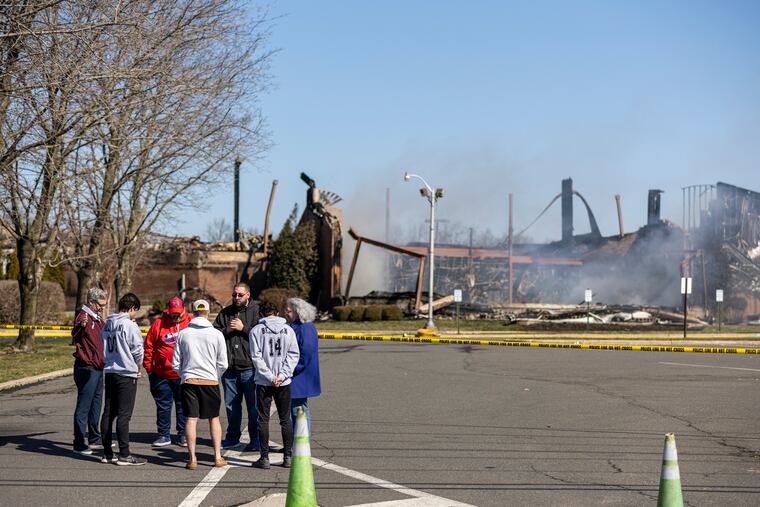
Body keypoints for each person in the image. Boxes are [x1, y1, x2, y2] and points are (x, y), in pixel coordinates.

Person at [172, 299, 228, 470]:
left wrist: (185, 375)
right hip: (210, 380)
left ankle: (192, 458)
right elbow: (223, 363)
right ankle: (217, 457)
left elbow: (175, 363)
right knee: (214, 418)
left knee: (190, 419)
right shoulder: (217, 334)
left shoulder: (183, 333)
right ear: (208, 312)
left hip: (189, 380)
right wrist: (214, 376)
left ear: (193, 312)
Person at [249, 301, 299, 469]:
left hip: (264, 381)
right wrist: (282, 375)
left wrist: (270, 376)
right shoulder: (288, 330)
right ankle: (288, 456)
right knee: (285, 419)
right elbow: (293, 355)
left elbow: (256, 357)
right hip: (283, 382)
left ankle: (264, 458)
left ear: (261, 314)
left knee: (263, 419)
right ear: (276, 313)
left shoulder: (256, 331)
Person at [99, 292, 146, 466]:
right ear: (132, 308)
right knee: (124, 415)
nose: (135, 314)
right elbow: (137, 349)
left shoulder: (108, 323)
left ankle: (107, 452)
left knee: (108, 412)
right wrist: (137, 367)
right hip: (126, 372)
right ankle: (124, 454)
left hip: (110, 370)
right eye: (136, 311)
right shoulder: (129, 324)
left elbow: (102, 343)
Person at [212, 282, 260, 450]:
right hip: (229, 369)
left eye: (240, 295)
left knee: (253, 407)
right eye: (234, 295)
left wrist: (243, 328)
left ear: (248, 295)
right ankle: (232, 437)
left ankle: (256, 439)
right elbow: (214, 335)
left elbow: (261, 336)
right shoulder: (225, 313)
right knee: (231, 406)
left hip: (250, 368)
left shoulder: (256, 311)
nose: (236, 298)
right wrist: (228, 330)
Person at [144, 296, 190, 447]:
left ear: (184, 309)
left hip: (182, 374)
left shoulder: (190, 322)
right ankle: (164, 434)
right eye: (173, 313)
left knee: (183, 405)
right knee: (163, 405)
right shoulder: (159, 323)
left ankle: (183, 434)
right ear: (168, 311)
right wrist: (149, 368)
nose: (176, 316)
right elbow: (148, 346)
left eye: (179, 313)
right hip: (161, 374)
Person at [71, 288, 108, 455]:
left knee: (96, 404)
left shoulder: (98, 318)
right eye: (100, 304)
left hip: (99, 367)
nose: (103, 307)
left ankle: (94, 438)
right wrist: (81, 325)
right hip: (87, 367)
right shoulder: (83, 315)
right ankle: (79, 442)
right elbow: (75, 333)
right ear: (92, 302)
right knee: (84, 406)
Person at [284, 297, 321, 432]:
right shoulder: (299, 326)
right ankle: (296, 442)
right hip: (297, 374)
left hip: (300, 375)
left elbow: (306, 355)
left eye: (288, 311)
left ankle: (301, 444)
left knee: (299, 409)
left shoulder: (305, 327)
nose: (286, 313)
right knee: (295, 410)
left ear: (297, 311)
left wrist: (289, 370)